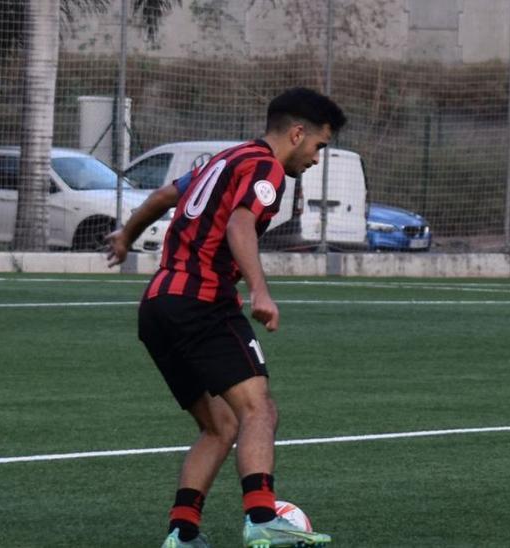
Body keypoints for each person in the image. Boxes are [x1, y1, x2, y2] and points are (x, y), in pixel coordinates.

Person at [106, 87, 344, 548]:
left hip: (157, 307)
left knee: (221, 426)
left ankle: (183, 533)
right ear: (297, 133)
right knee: (259, 408)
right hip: (203, 302)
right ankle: (261, 517)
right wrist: (260, 290)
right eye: (318, 146)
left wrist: (124, 236)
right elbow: (238, 224)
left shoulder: (223, 160)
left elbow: (160, 196)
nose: (316, 159)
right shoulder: (266, 169)